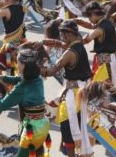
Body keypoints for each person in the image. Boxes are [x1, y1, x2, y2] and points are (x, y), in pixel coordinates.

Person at [40, 20, 92, 157]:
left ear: (69, 34)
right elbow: (66, 44)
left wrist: (34, 67)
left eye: (62, 34)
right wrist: (54, 43)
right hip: (82, 92)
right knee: (77, 127)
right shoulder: (79, 43)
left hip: (73, 96)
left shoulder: (69, 53)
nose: (61, 37)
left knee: (68, 130)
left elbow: (50, 71)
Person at [0, 48, 52, 157]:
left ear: (24, 66)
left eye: (18, 62)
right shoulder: (37, 79)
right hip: (43, 125)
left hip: (32, 131)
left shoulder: (23, 87)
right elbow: (18, 79)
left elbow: (3, 104)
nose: (16, 65)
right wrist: (0, 77)